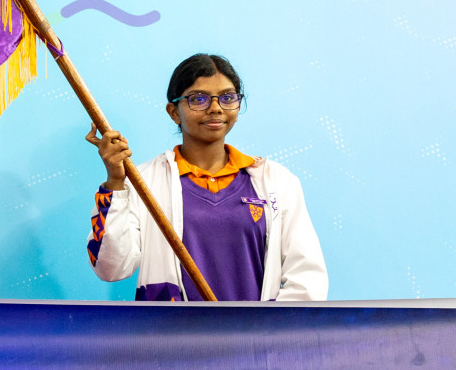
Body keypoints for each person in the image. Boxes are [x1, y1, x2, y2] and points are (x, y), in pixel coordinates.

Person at [86, 53, 327, 301]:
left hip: (254, 327)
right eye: (198, 99)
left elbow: (307, 279)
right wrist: (115, 183)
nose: (215, 108)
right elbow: (111, 268)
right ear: (173, 112)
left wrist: (267, 324)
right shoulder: (143, 182)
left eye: (227, 97)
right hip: (169, 326)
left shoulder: (276, 181)